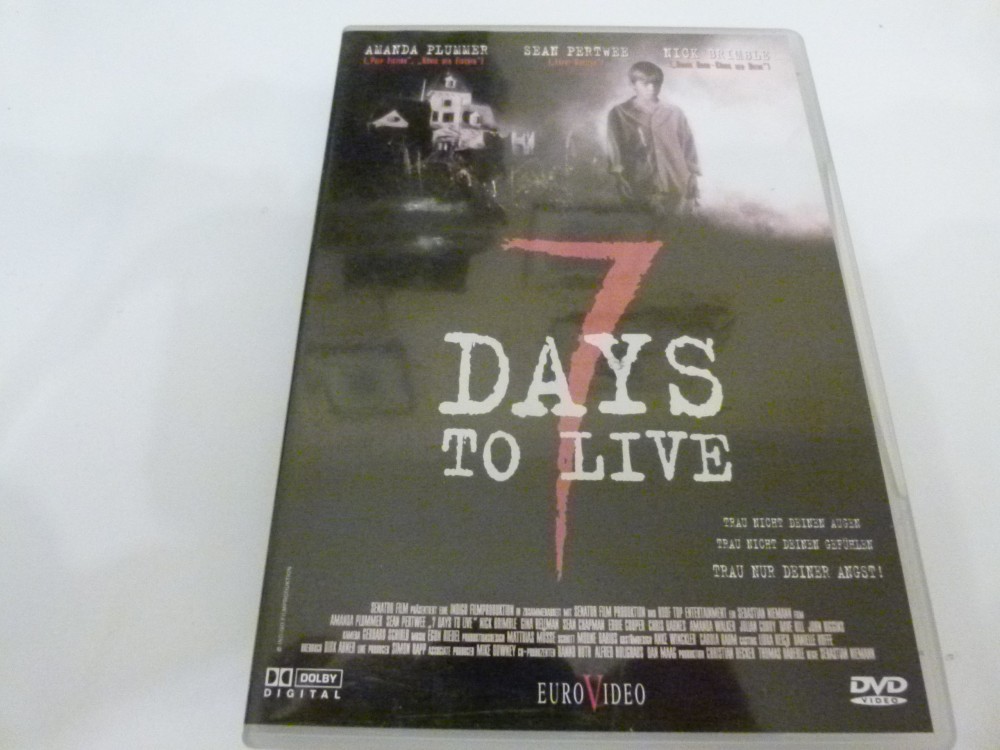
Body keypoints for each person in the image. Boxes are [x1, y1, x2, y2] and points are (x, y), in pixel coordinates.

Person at [607, 61, 700, 220]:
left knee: (678, 229)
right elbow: (615, 148)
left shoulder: (675, 113)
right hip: (641, 183)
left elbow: (688, 146)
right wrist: (619, 177)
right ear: (633, 85)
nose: (652, 88)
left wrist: (693, 176)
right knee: (644, 229)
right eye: (645, 83)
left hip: (676, 182)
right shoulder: (619, 113)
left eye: (656, 83)